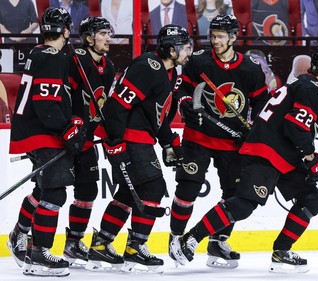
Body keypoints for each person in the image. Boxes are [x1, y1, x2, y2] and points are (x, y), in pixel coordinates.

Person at [170, 48, 318, 273]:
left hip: (284, 156)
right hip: (266, 152)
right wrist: (311, 157)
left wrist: (308, 161)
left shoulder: (305, 85)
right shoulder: (313, 88)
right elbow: (296, 126)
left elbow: (294, 128)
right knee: (244, 204)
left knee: (311, 199)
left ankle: (281, 252)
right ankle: (190, 239)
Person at [84, 24, 192, 273]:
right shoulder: (147, 67)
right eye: (186, 47)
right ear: (172, 51)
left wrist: (169, 143)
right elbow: (115, 107)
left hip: (140, 138)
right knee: (153, 189)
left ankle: (101, 246)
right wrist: (115, 142)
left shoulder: (170, 73)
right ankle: (135, 249)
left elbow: (157, 118)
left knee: (126, 194)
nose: (189, 51)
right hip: (128, 138)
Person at [168, 14, 270, 269]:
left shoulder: (250, 69)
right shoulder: (198, 62)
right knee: (187, 188)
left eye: (221, 37)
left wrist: (254, 128)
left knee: (234, 194)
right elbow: (181, 89)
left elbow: (262, 104)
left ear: (234, 37)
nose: (215, 41)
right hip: (198, 137)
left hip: (232, 141)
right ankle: (176, 238)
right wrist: (184, 103)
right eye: (212, 36)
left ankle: (218, 241)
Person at [7, 7, 86, 277]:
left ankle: (19, 233)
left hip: (32, 130)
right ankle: (39, 253)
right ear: (66, 30)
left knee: (44, 190)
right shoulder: (54, 57)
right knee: (55, 193)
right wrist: (68, 130)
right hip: (44, 132)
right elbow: (47, 103)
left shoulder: (38, 53)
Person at [62, 16, 117, 267]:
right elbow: (63, 96)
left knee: (87, 191)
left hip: (87, 138)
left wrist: (106, 132)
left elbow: (102, 104)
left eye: (108, 32)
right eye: (102, 33)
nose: (108, 37)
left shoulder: (110, 67)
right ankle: (22, 233)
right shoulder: (75, 60)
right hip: (64, 136)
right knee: (48, 190)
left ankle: (73, 242)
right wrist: (72, 123)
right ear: (88, 38)